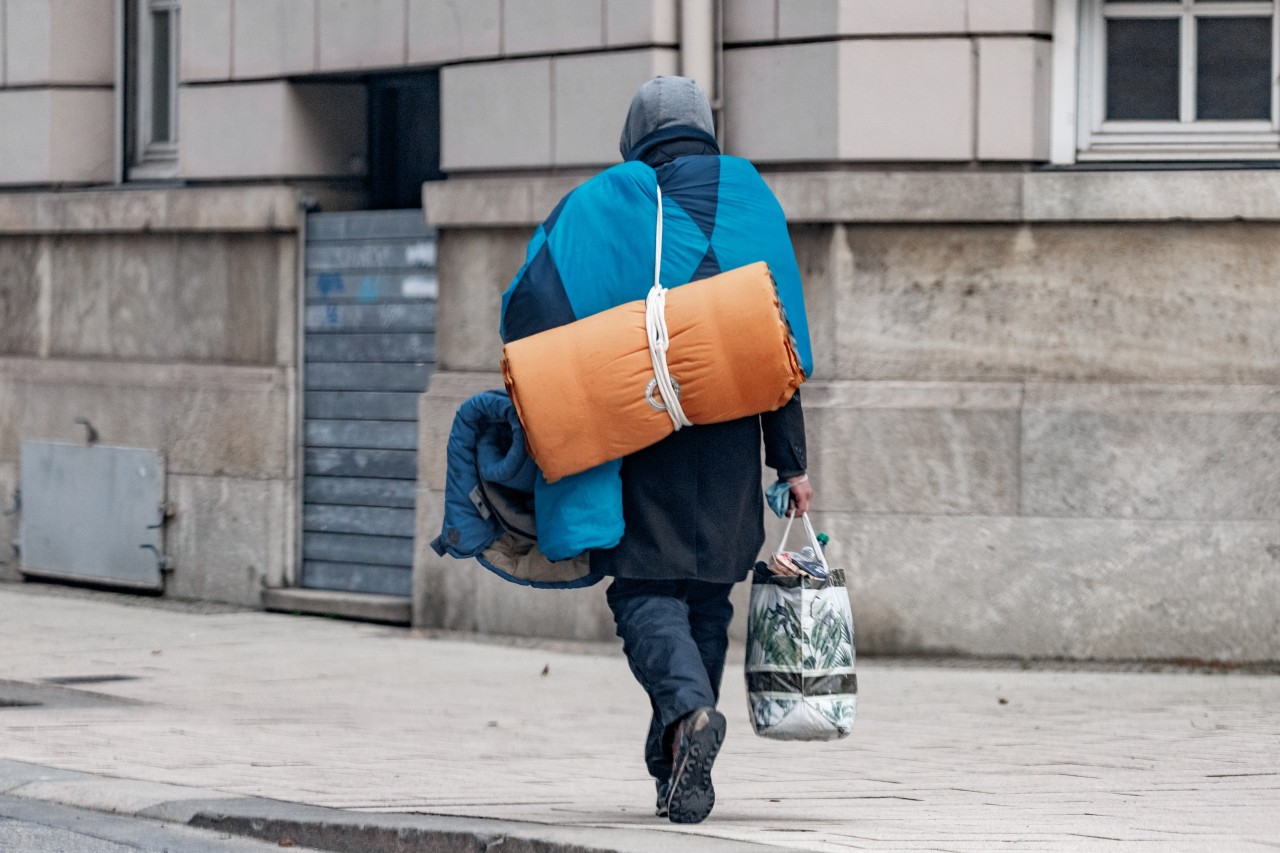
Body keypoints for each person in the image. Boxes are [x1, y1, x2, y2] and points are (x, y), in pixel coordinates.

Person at [499, 76, 813, 824]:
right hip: (734, 441)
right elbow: (780, 342)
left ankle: (689, 714)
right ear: (703, 127)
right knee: (706, 595)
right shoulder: (749, 196)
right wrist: (791, 462)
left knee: (643, 589)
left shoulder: (612, 200)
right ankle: (679, 763)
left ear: (636, 132)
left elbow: (535, 299)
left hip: (648, 429)